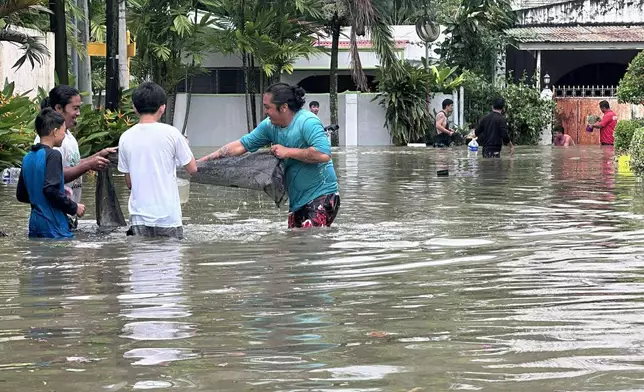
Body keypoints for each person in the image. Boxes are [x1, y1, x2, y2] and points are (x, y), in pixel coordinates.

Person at [199, 83, 340, 229]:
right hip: (297, 201)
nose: (265, 111)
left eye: (268, 107)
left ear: (284, 107)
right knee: (295, 246)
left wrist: (287, 152)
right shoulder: (269, 126)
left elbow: (323, 154)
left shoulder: (307, 122)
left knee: (308, 240)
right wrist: (200, 164)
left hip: (323, 195)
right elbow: (240, 145)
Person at [117, 82, 198, 240]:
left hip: (138, 218)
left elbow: (129, 183)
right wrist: (183, 146)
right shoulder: (172, 134)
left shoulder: (125, 137)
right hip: (168, 218)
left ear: (134, 107)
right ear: (162, 108)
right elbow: (192, 168)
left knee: (141, 262)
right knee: (168, 262)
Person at [36, 85, 114, 228]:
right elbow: (55, 175)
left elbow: (72, 164)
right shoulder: (49, 141)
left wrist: (97, 156)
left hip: (68, 214)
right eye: (75, 108)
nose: (78, 113)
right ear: (59, 109)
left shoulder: (68, 136)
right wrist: (89, 165)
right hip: (55, 217)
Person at [16, 108, 86, 239]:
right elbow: (50, 190)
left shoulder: (27, 157)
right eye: (63, 130)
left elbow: (21, 195)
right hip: (53, 223)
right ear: (54, 132)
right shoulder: (53, 155)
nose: (65, 135)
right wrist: (74, 207)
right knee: (61, 255)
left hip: (35, 223)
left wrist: (40, 199)